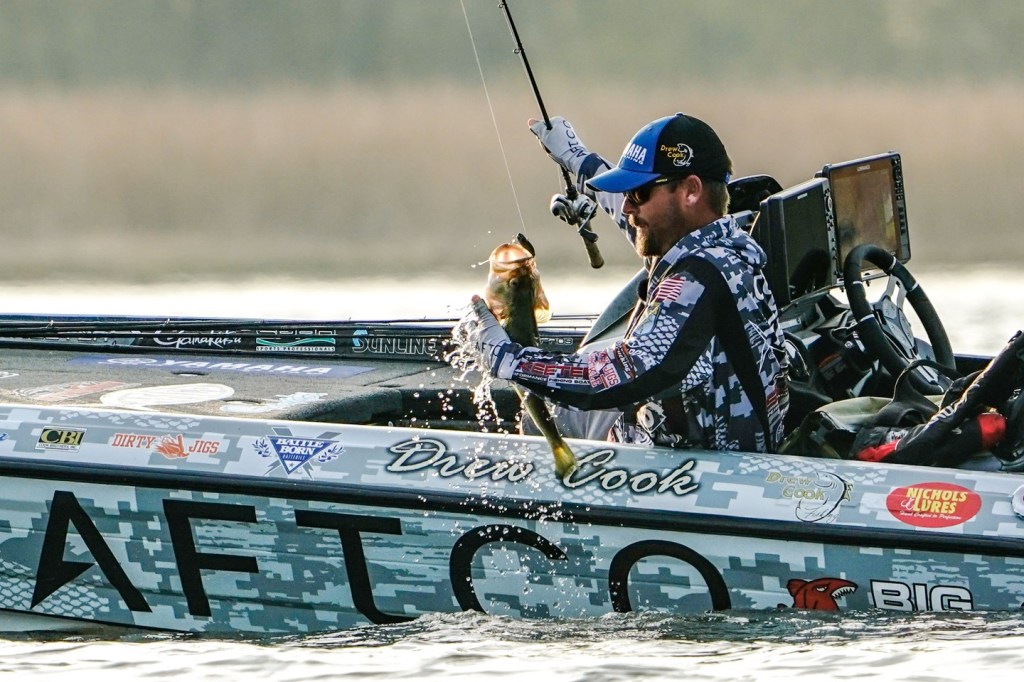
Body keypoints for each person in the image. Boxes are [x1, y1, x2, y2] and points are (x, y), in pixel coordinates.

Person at [463, 112, 789, 452]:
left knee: (551, 404)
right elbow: (627, 212)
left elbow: (619, 375)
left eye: (639, 193)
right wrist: (576, 157)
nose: (628, 207)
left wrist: (508, 359)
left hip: (705, 472)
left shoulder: (699, 281)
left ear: (691, 191)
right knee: (555, 404)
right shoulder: (714, 243)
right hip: (670, 435)